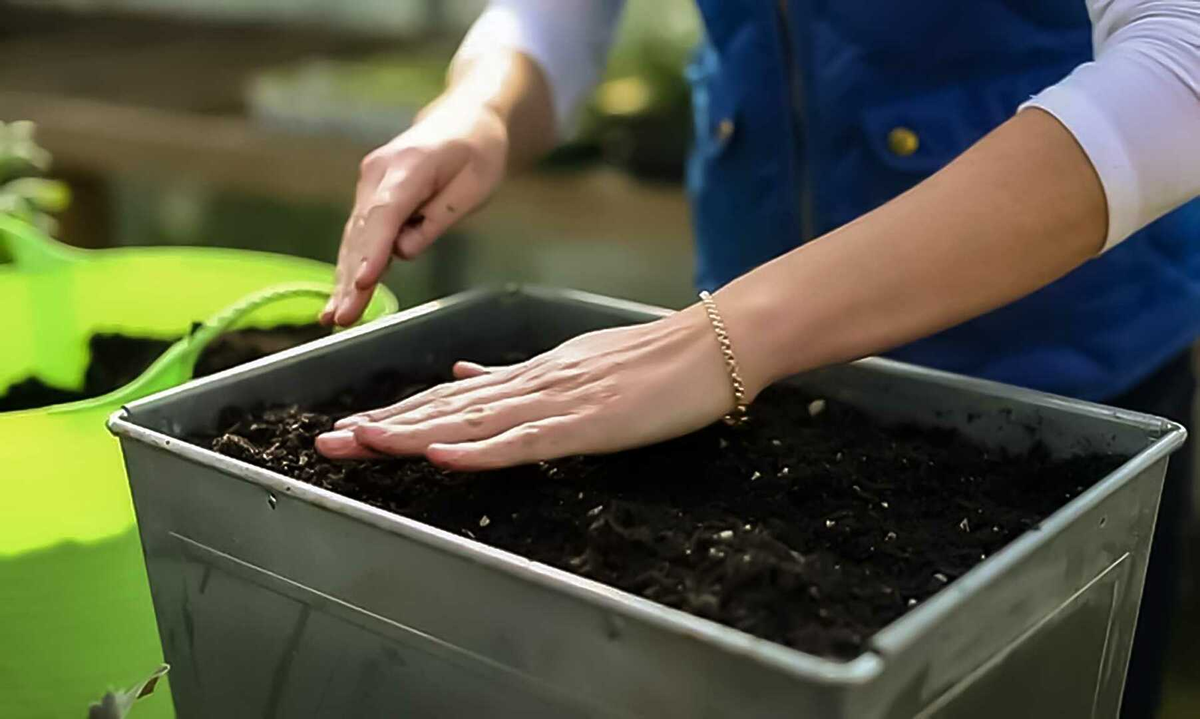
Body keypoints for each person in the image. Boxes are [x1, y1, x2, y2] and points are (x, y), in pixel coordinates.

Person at [317, 1, 1200, 714]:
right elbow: (559, 16)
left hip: (1057, 364)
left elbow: (1183, 53)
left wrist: (722, 337)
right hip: (747, 370)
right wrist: (481, 108)